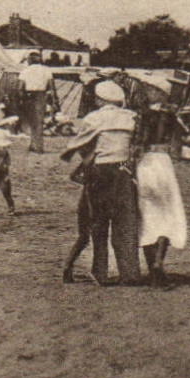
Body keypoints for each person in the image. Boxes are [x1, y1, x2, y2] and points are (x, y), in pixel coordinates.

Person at [60, 80, 141, 286]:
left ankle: (100, 272)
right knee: (125, 222)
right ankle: (130, 272)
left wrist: (86, 155)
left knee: (99, 222)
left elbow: (76, 145)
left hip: (102, 172)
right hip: (125, 172)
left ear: (100, 100)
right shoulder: (131, 117)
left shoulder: (94, 118)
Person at [135, 102, 190, 287]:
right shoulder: (172, 119)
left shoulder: (145, 117)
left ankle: (152, 271)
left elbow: (137, 145)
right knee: (168, 216)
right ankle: (158, 262)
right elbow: (177, 151)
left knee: (147, 217)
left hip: (145, 166)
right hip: (163, 165)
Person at [17, 52, 54, 154]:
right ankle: (36, 145)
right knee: (39, 121)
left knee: (31, 122)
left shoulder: (25, 71)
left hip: (28, 96)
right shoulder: (47, 70)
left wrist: (22, 98)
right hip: (41, 96)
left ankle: (36, 146)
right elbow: (52, 87)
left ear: (29, 60)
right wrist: (53, 101)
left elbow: (19, 88)